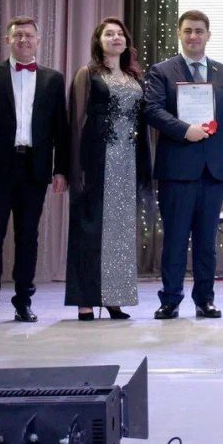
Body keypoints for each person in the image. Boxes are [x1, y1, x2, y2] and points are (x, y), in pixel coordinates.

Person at [0, 16, 69, 324]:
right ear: (7, 40)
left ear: (38, 41)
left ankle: (23, 302)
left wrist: (61, 169)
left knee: (28, 238)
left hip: (34, 168)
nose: (23, 40)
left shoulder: (53, 79)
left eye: (29, 35)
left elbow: (60, 129)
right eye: (17, 35)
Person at [144, 10, 223, 320]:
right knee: (174, 239)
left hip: (214, 171)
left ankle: (205, 299)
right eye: (187, 30)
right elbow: (152, 110)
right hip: (176, 170)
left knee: (206, 241)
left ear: (208, 35)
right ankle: (170, 299)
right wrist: (184, 130)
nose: (193, 36)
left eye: (199, 31)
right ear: (179, 33)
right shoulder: (161, 71)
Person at [64, 18, 153, 321]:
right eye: (109, 34)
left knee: (119, 232)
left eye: (120, 34)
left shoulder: (134, 77)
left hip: (127, 163)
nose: (116, 38)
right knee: (88, 230)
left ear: (127, 42)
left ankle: (114, 298)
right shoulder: (88, 74)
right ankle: (86, 300)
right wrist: (74, 168)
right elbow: (76, 123)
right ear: (99, 41)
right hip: (97, 162)